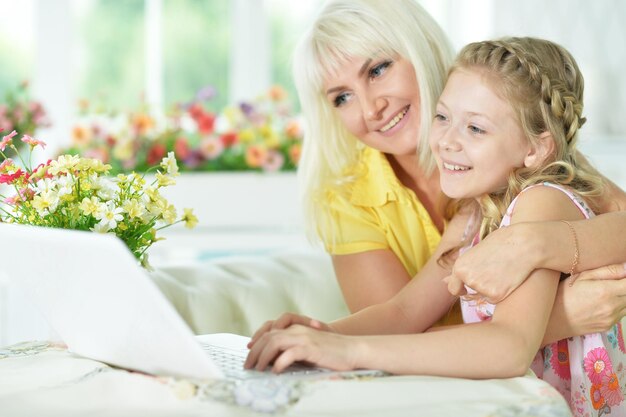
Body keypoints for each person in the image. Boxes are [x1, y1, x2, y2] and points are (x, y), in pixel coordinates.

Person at [246, 36, 626, 415]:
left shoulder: (542, 203)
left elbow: (509, 346)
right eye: (443, 117)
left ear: (536, 148)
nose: (446, 141)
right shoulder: (473, 215)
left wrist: (349, 352)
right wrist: (320, 334)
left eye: (475, 129)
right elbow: (404, 312)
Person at [294, 0, 626, 340]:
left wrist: (533, 242)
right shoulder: (356, 200)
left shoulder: (529, 165)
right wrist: (556, 320)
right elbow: (401, 327)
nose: (370, 109)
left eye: (378, 70)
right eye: (342, 97)